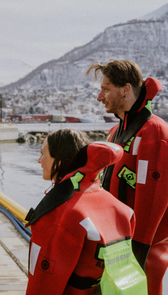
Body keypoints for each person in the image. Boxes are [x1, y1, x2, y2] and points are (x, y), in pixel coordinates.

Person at [25, 129, 145, 294]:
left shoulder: (59, 215)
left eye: (43, 154)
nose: (39, 160)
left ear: (59, 161)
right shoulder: (122, 209)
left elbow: (43, 284)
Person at [87, 60, 168, 295]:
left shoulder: (154, 132)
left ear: (126, 89)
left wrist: (137, 255)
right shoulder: (115, 133)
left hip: (141, 254)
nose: (100, 97)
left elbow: (154, 199)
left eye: (106, 88)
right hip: (115, 248)